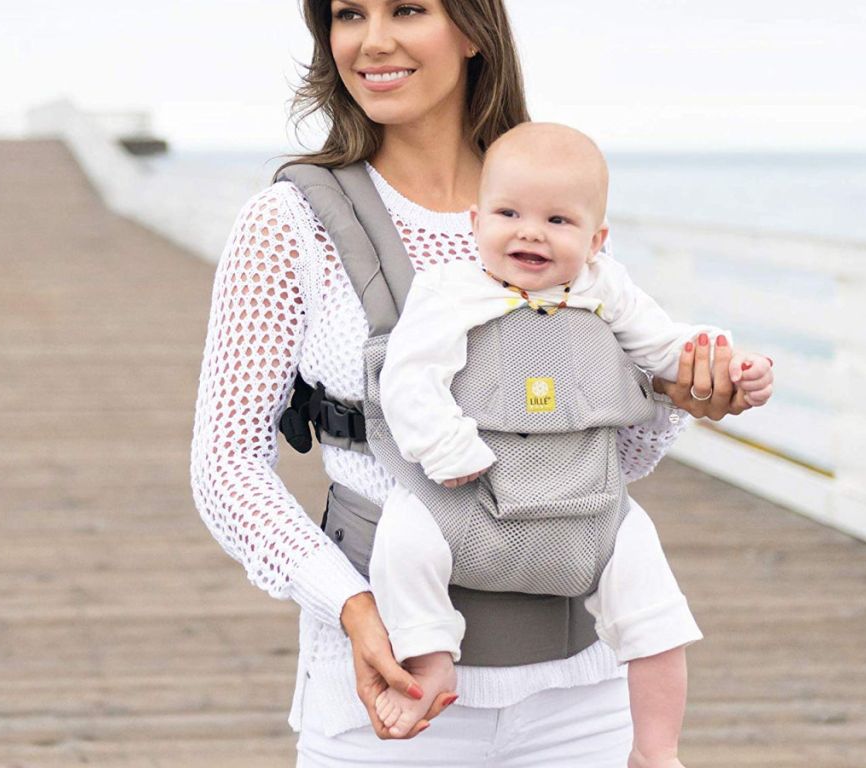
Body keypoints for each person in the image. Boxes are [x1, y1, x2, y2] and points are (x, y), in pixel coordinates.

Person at [190, 0, 768, 764]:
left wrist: (677, 398)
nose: (374, 41)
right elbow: (225, 468)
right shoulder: (289, 224)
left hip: (581, 691)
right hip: (393, 685)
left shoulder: (552, 201)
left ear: (471, 30)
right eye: (348, 13)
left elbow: (609, 460)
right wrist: (354, 609)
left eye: (407, 9)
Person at [367, 122, 774, 766]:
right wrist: (447, 448)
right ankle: (433, 659)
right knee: (402, 541)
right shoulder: (450, 292)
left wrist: (727, 360)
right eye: (509, 213)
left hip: (587, 497)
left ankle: (658, 747)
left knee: (654, 604)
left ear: (596, 239)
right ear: (474, 221)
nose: (530, 231)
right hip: (464, 491)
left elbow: (664, 344)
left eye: (558, 219)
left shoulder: (602, 288)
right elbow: (409, 378)